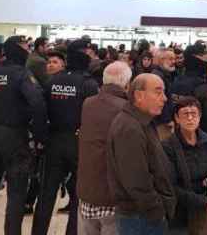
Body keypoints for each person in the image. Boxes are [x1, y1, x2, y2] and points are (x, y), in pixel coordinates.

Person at [0, 35, 47, 235]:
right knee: (16, 196)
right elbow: (37, 103)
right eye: (24, 47)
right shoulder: (22, 74)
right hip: (15, 138)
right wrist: (40, 137)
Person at [32, 39, 99, 235]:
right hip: (78, 143)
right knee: (78, 197)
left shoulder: (52, 81)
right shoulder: (89, 84)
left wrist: (41, 137)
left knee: (46, 195)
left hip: (53, 141)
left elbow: (40, 110)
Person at [107, 73, 175, 234]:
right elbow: (136, 181)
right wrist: (157, 210)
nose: (164, 98)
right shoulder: (130, 128)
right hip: (141, 218)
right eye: (158, 92)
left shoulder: (142, 122)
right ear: (139, 95)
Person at [78, 61, 133, 235]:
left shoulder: (88, 104)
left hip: (87, 191)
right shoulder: (127, 110)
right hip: (112, 198)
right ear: (127, 84)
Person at [162, 97, 207, 235]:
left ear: (200, 117)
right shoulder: (168, 146)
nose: (190, 118)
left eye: (194, 114)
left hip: (205, 210)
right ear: (177, 118)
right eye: (185, 114)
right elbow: (170, 186)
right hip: (180, 211)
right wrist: (204, 203)